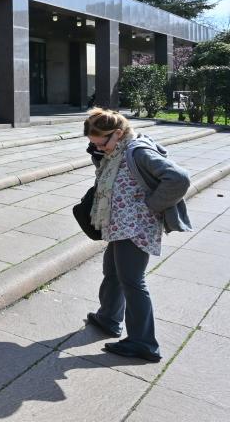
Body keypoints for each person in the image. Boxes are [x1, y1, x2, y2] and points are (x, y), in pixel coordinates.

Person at [83, 108, 191, 363]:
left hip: (136, 226)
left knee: (132, 281)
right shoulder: (119, 149)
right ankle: (109, 318)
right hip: (120, 224)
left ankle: (144, 343)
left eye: (102, 143)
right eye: (94, 144)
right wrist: (99, 155)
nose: (101, 148)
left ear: (118, 134)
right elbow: (114, 174)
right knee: (112, 271)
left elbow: (178, 178)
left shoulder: (137, 150)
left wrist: (153, 205)